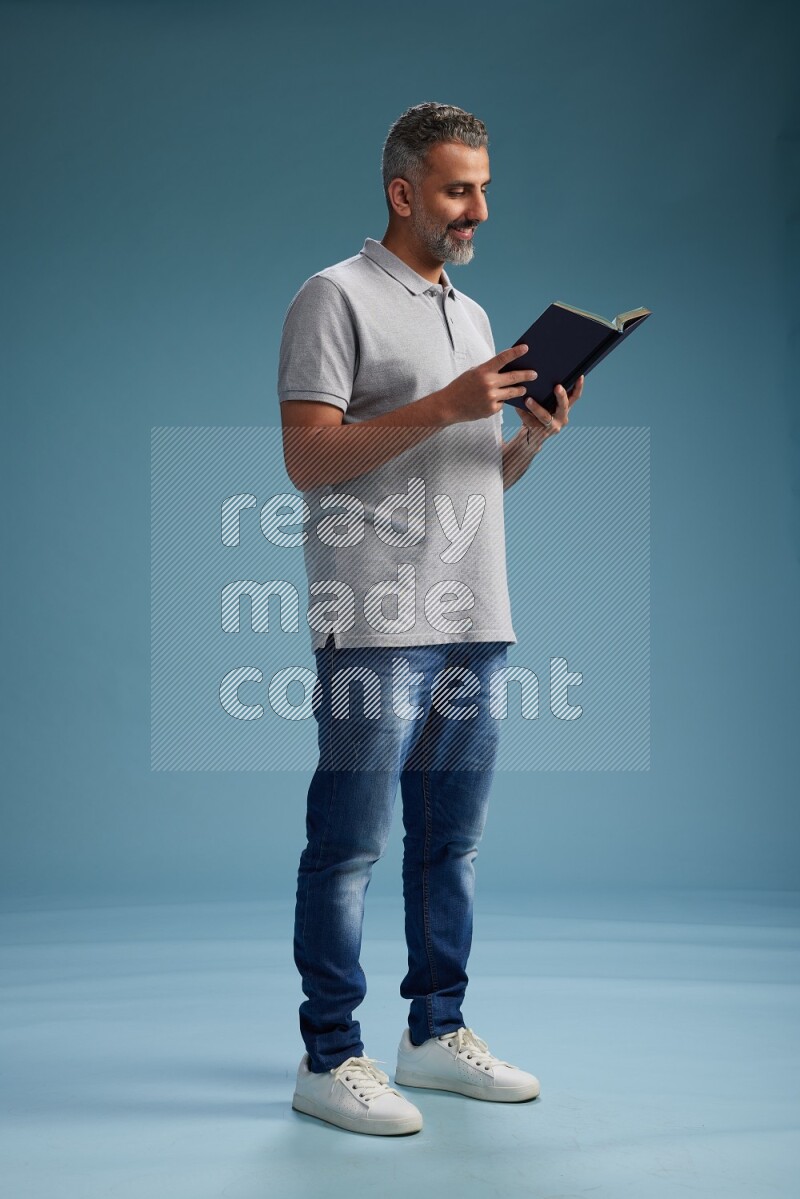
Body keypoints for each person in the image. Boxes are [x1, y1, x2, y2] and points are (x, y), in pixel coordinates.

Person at [278, 101, 584, 1136]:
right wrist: (446, 405)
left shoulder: (473, 311)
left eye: (483, 187)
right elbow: (309, 457)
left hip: (472, 615)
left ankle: (432, 1032)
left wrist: (526, 439)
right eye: (459, 189)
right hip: (373, 617)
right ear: (403, 192)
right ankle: (330, 1055)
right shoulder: (333, 297)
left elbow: (469, 478)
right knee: (350, 847)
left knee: (448, 845)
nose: (478, 208)